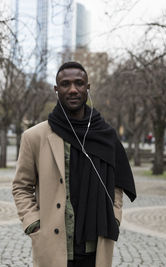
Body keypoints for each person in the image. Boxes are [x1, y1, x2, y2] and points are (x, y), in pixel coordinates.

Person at [12, 62, 136, 267]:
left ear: (88, 88)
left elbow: (117, 182)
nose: (72, 89)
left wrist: (114, 217)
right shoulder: (34, 136)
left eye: (79, 83)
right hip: (53, 243)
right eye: (65, 84)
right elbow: (21, 186)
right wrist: (32, 223)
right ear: (56, 89)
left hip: (95, 243)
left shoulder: (105, 135)